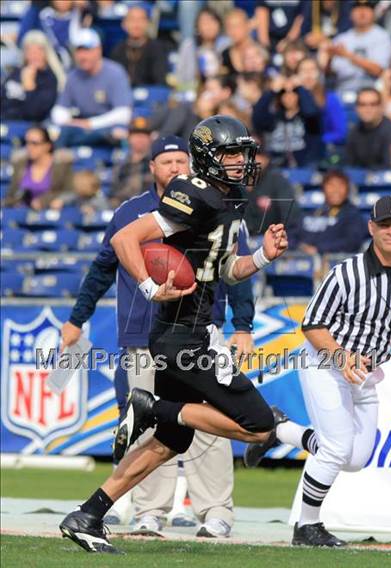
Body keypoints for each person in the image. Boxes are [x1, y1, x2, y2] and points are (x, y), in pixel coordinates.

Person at [58, 115, 318, 554]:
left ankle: (88, 513)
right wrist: (147, 286)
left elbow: (224, 270)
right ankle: (153, 405)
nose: (240, 162)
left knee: (168, 442)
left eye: (242, 153)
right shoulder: (192, 193)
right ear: (208, 157)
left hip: (186, 333)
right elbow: (126, 239)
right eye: (231, 154)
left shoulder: (227, 198)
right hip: (187, 336)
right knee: (257, 426)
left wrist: (263, 257)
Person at [246, 194, 391, 546]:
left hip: (367, 371)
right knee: (337, 448)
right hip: (327, 362)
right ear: (371, 228)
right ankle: (307, 527)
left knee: (356, 458)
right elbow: (311, 325)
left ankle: (279, 430)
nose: (390, 231)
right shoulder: (346, 272)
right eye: (383, 225)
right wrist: (343, 358)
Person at [51, 28, 132, 148]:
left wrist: (90, 124)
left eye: (87, 50)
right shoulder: (73, 76)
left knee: (117, 133)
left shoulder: (115, 72)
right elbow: (59, 110)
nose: (82, 56)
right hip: (80, 127)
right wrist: (70, 122)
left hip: (106, 126)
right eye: (79, 51)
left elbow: (124, 114)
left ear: (98, 50)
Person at [321, 0, 391, 97]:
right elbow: (330, 74)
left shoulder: (382, 36)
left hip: (372, 92)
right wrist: (329, 58)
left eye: (366, 8)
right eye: (357, 8)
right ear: (350, 13)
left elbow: (378, 70)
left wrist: (347, 55)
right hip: (342, 90)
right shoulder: (341, 38)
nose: (362, 12)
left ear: (373, 13)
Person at [253, 76, 324, 167]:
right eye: (284, 93)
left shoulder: (307, 118)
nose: (289, 96)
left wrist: (300, 88)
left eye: (294, 92)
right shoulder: (274, 118)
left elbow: (312, 113)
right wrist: (271, 91)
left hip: (304, 164)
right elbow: (257, 118)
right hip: (276, 164)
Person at [2, 125, 73, 209]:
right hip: (23, 212)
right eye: (26, 143)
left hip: (51, 213)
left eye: (34, 143)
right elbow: (11, 194)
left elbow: (70, 191)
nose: (29, 147)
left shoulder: (61, 165)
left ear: (47, 145)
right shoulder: (20, 164)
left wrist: (46, 201)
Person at [345, 87, 391, 169]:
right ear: (356, 108)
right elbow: (349, 166)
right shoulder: (354, 132)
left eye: (373, 104)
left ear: (381, 107)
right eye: (362, 104)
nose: (367, 109)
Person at [1, 30, 63, 121]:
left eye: (38, 50)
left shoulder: (50, 78)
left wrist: (29, 87)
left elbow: (34, 113)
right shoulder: (16, 72)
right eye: (29, 50)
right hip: (5, 121)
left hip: (30, 126)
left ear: (46, 53)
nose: (34, 55)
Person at [298, 170, 365, 255]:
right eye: (331, 185)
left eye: (341, 185)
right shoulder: (313, 213)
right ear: (323, 189)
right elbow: (295, 235)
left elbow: (352, 242)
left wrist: (319, 249)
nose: (336, 190)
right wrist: (300, 247)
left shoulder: (353, 215)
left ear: (347, 189)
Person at [244, 150, 302, 248]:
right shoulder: (235, 182)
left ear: (266, 158)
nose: (253, 159)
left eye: (258, 154)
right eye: (249, 154)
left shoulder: (277, 180)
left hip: (272, 240)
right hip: (243, 240)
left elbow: (290, 214)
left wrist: (283, 239)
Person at [110, 5, 168, 87]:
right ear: (124, 24)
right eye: (132, 20)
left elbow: (160, 81)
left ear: (147, 23)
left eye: (141, 19)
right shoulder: (118, 49)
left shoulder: (157, 48)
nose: (136, 24)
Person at [296, 57, 347, 146]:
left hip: (319, 148)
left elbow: (340, 133)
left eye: (312, 70)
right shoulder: (290, 96)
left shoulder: (330, 98)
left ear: (319, 74)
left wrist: (317, 140)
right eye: (303, 70)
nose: (308, 74)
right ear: (296, 74)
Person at [108, 118, 153, 208]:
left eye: (144, 135)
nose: (140, 139)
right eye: (136, 135)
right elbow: (113, 192)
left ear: (150, 138)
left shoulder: (156, 163)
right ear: (129, 138)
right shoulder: (120, 165)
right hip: (122, 209)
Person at [220, 8, 256, 76]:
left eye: (237, 26)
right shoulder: (225, 55)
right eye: (229, 27)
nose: (233, 31)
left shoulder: (260, 51)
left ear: (247, 26)